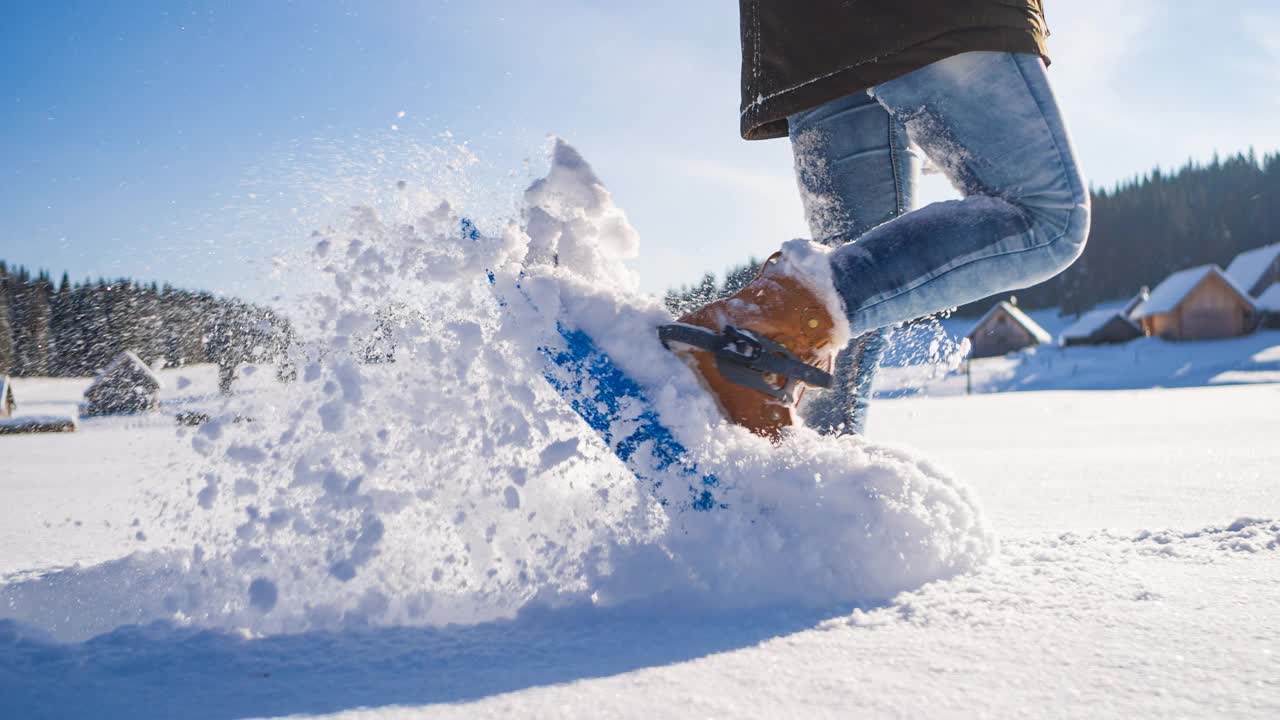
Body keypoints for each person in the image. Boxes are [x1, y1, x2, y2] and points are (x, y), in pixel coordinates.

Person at [672, 1, 1089, 439]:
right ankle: (748, 327)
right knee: (1047, 219)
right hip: (929, 18)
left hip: (806, 34)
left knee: (869, 286)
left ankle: (805, 471)